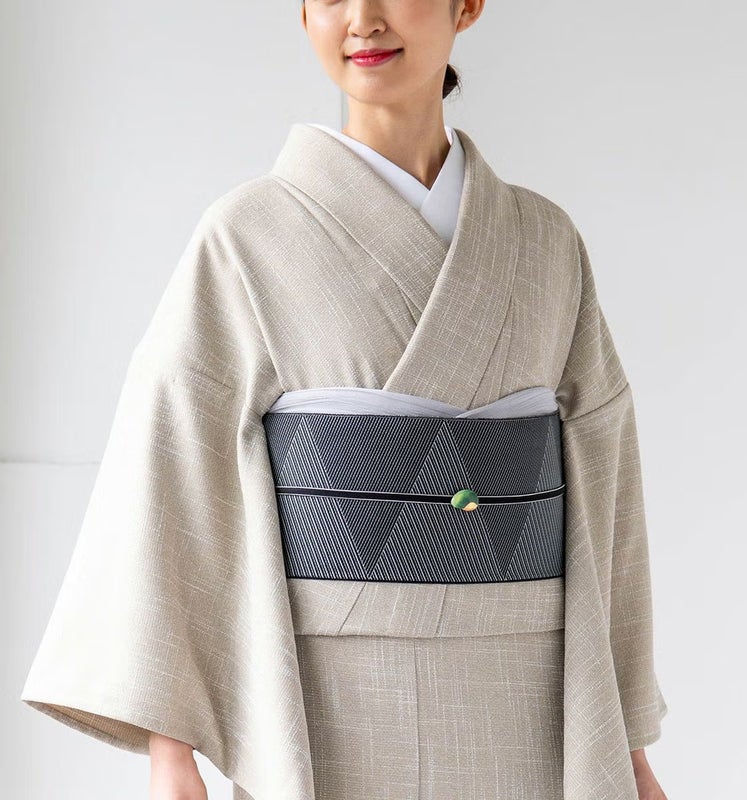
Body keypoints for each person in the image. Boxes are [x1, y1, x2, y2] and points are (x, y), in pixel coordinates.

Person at [21, 2, 669, 799]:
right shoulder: (248, 233)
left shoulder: (545, 239)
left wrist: (628, 745)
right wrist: (170, 753)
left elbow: (607, 484)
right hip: (328, 689)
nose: (363, 18)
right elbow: (172, 469)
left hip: (522, 680)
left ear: (468, 6)